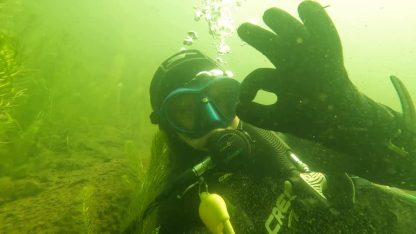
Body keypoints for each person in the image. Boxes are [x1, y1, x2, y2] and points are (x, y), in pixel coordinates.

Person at [136, 1, 416, 233]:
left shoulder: (296, 132)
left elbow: (409, 172)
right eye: (185, 112)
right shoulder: (180, 210)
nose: (213, 120)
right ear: (169, 127)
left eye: (221, 99)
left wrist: (365, 120)